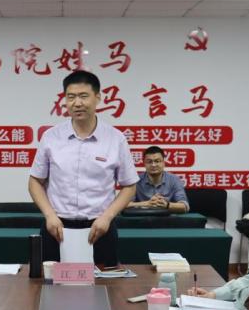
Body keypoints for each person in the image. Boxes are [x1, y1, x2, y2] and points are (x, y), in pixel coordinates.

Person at [28, 70, 139, 268]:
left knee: (105, 283)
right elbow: (35, 181)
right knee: (50, 284)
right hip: (57, 228)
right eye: (71, 97)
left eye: (83, 96)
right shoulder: (51, 137)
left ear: (98, 98)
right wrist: (49, 215)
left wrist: (107, 217)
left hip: (100, 228)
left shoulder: (115, 139)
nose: (77, 103)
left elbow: (129, 186)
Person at [128, 145, 189, 213]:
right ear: (144, 163)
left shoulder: (174, 180)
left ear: (164, 163)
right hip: (143, 218)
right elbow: (125, 205)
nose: (153, 165)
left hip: (167, 218)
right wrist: (146, 204)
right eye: (149, 162)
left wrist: (167, 205)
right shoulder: (136, 180)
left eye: (157, 161)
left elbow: (185, 206)